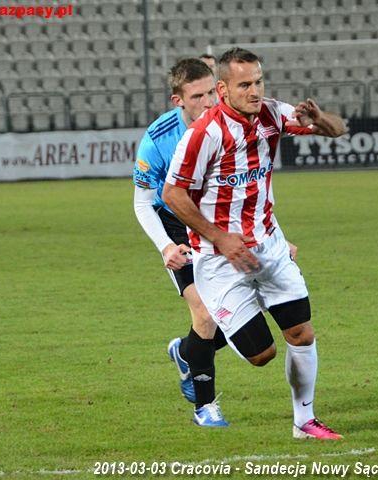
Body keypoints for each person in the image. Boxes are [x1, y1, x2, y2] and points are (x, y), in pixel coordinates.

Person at [163, 47, 347, 440]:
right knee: (262, 354)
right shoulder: (204, 134)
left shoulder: (273, 114)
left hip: (270, 247)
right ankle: (192, 351)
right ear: (223, 90)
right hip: (219, 260)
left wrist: (319, 120)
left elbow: (338, 130)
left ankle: (304, 421)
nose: (255, 91)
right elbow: (172, 194)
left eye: (259, 81)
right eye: (244, 84)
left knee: (301, 333)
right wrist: (220, 237)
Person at [133, 58, 231, 427]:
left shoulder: (231, 125)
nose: (208, 103)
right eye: (198, 96)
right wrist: (166, 246)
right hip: (175, 223)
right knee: (204, 312)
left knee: (241, 316)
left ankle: (188, 352)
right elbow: (142, 201)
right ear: (179, 100)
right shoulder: (158, 138)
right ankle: (205, 408)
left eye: (211, 93)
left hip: (218, 219)